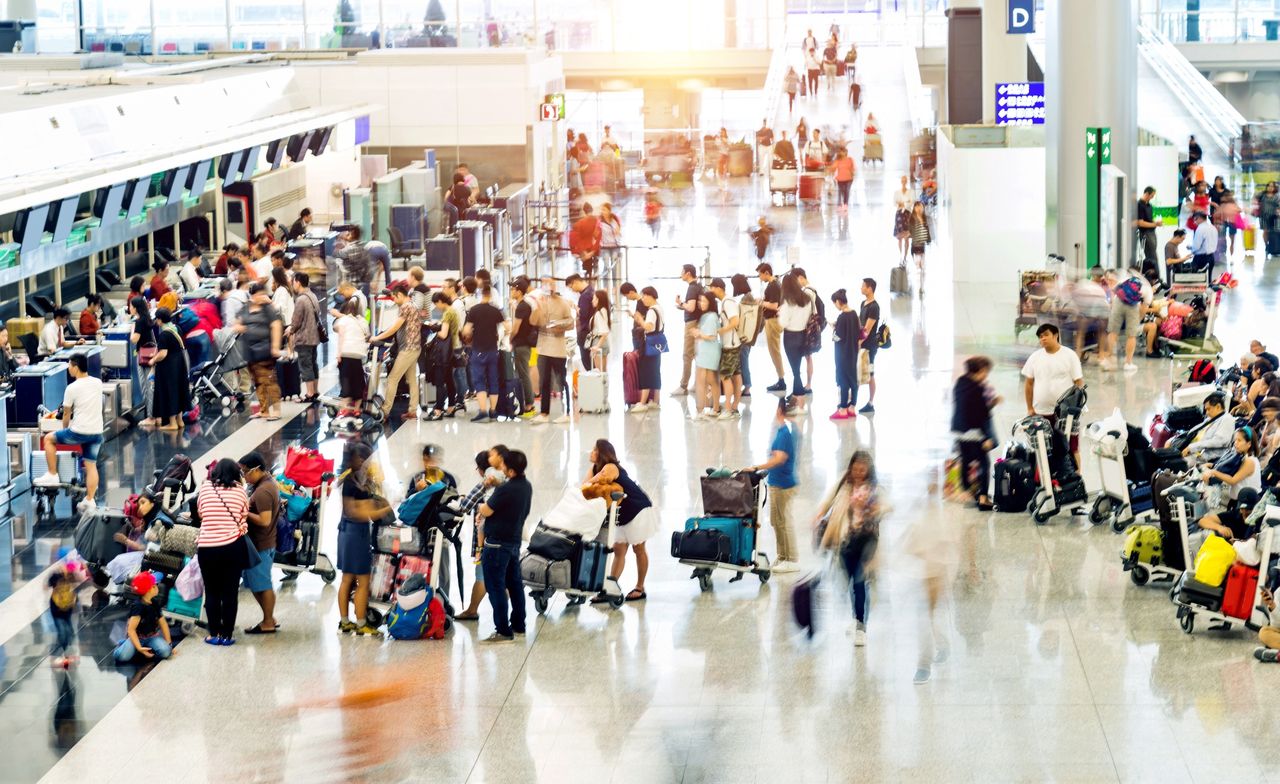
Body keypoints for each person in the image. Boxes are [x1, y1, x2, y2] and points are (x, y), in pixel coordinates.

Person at [816, 451, 880, 646]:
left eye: (863, 469)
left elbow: (885, 507)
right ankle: (856, 618)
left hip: (867, 542)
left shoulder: (874, 489)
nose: (859, 473)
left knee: (860, 583)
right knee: (849, 582)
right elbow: (828, 500)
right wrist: (818, 515)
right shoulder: (844, 484)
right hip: (846, 540)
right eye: (855, 469)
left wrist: (871, 508)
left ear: (869, 470)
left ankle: (861, 626)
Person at [584, 440, 658, 604]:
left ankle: (640, 588)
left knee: (638, 549)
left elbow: (599, 481)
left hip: (637, 509)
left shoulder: (611, 466)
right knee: (619, 551)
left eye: (595, 449)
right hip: (621, 514)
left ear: (602, 453)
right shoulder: (594, 469)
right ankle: (610, 588)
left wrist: (590, 483)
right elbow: (585, 485)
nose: (591, 452)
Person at [335, 442, 391, 637]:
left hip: (346, 533)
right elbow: (364, 514)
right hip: (356, 536)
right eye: (367, 460)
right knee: (363, 581)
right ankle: (361, 623)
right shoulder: (353, 484)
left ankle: (345, 622)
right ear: (357, 459)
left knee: (347, 579)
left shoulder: (351, 479)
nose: (369, 463)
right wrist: (391, 505)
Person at [476, 449, 533, 643]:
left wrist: (479, 508)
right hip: (513, 541)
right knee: (515, 584)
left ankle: (502, 630)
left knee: (496, 586)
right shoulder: (526, 486)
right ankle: (519, 625)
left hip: (495, 544)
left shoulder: (505, 490)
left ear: (509, 470)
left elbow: (487, 509)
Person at [34, 353, 103, 509]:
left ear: (76, 367)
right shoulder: (97, 382)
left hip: (79, 432)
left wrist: (64, 429)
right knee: (91, 465)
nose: (69, 368)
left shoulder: (72, 388)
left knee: (49, 439)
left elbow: (66, 413)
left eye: (70, 365)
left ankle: (52, 474)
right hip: (97, 432)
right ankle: (89, 500)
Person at [196, 459, 252, 646]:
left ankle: (214, 634)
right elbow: (244, 515)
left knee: (212, 591)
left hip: (207, 547)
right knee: (230, 593)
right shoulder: (240, 492)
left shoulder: (205, 489)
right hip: (232, 547)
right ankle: (227, 635)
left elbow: (201, 513)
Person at [745, 399, 800, 573]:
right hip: (777, 483)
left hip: (783, 485)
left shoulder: (785, 433)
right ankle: (782, 556)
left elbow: (779, 458)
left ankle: (791, 559)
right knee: (777, 522)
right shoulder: (784, 430)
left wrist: (756, 468)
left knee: (784, 521)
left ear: (779, 411)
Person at [238, 451, 280, 635]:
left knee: (262, 585)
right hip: (263, 543)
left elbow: (264, 520)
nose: (244, 476)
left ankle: (268, 621)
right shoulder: (266, 483)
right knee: (256, 583)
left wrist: (243, 511)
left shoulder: (263, 491)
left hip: (261, 545)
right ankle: (269, 616)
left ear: (256, 470)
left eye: (246, 472)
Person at [952, 356, 999, 510]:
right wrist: (987, 437)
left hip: (959, 431)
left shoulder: (960, 383)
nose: (986, 374)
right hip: (974, 433)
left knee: (965, 461)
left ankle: (966, 490)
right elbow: (981, 414)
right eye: (986, 371)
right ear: (980, 370)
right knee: (984, 463)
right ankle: (983, 498)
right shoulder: (977, 389)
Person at [370, 283, 420, 421]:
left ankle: (385, 411)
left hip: (407, 349)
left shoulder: (405, 307)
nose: (393, 300)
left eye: (394, 298)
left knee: (392, 378)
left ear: (399, 295)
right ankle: (413, 410)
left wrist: (376, 337)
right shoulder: (413, 304)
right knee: (411, 380)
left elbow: (395, 327)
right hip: (415, 347)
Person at [236, 282, 283, 421]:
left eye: (264, 293)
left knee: (269, 380)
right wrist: (239, 327)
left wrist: (275, 346)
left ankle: (276, 410)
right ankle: (264, 410)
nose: (262, 296)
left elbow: (276, 325)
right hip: (250, 352)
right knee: (257, 381)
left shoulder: (267, 308)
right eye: (259, 294)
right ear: (253, 295)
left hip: (265, 349)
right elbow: (237, 322)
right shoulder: (245, 308)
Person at [529, 277, 574, 424]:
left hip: (558, 347)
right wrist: (538, 308)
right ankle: (544, 412)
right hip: (542, 347)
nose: (550, 287)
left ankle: (567, 412)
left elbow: (571, 323)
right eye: (546, 284)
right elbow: (533, 322)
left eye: (552, 284)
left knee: (561, 380)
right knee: (544, 381)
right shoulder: (539, 301)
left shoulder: (563, 303)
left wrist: (559, 327)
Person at [144, 307, 191, 431]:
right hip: (180, 363)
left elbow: (163, 353)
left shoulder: (164, 334)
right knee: (179, 390)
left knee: (170, 392)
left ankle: (172, 423)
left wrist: (153, 360)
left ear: (160, 320)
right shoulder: (176, 328)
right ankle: (180, 421)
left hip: (169, 366)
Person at [463, 284, 506, 422]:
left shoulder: (474, 310)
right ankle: (493, 411)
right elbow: (508, 327)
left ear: (480, 294)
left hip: (479, 350)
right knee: (493, 379)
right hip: (493, 350)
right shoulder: (496, 310)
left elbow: (466, 330)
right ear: (491, 294)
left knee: (479, 380)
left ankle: (482, 412)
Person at [1100, 265, 1153, 372]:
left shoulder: (1125, 277)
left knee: (1113, 332)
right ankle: (1128, 363)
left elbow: (1115, 291)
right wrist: (1136, 322)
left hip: (1118, 300)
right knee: (1131, 335)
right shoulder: (1147, 288)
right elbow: (1143, 309)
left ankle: (1108, 360)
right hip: (1133, 305)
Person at [112, 572, 173, 663]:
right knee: (122, 657)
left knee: (166, 652)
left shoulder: (155, 602)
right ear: (147, 590)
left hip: (152, 637)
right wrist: (139, 648)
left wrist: (169, 644)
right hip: (136, 638)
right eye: (154, 586)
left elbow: (163, 623)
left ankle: (140, 648)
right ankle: (124, 644)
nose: (157, 587)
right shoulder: (138, 606)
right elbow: (131, 629)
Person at [424, 290, 465, 421]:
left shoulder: (447, 312)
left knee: (440, 381)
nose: (436, 307)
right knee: (449, 379)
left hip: (445, 352)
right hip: (453, 349)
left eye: (436, 304)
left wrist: (434, 329)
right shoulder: (453, 310)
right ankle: (451, 406)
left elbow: (443, 334)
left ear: (441, 301)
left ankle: (438, 410)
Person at [777, 273, 813, 413]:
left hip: (790, 337)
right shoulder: (807, 299)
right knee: (797, 368)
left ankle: (800, 403)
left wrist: (780, 315)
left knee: (796, 371)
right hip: (803, 335)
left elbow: (783, 323)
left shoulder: (788, 302)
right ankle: (797, 400)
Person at [708, 278, 742, 418]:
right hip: (734, 343)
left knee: (725, 376)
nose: (711, 290)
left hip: (730, 344)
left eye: (712, 287)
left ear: (719, 288)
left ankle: (728, 409)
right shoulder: (727, 301)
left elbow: (735, 321)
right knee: (736, 375)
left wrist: (721, 331)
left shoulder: (727, 303)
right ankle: (734, 407)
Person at [670, 264, 704, 397]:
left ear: (688, 273)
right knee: (696, 354)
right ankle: (696, 383)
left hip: (692, 324)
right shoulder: (699, 286)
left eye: (682, 271)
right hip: (699, 322)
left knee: (687, 354)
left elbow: (691, 307)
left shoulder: (692, 288)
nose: (681, 274)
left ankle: (683, 385)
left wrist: (681, 304)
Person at [289, 271, 322, 403]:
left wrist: (290, 330)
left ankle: (309, 393)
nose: (293, 285)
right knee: (313, 364)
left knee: (305, 366)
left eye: (293, 282)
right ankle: (315, 391)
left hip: (304, 338)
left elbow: (296, 321)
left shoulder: (301, 299)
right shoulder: (312, 295)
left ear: (297, 282)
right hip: (314, 337)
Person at [690, 290, 723, 421]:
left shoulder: (711, 317)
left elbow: (711, 336)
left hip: (708, 351)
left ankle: (700, 410)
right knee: (711, 380)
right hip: (705, 350)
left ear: (710, 302)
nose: (700, 303)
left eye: (703, 301)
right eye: (699, 301)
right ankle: (714, 408)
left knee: (702, 381)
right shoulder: (707, 316)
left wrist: (698, 333)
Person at [630, 286, 664, 412]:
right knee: (655, 371)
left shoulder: (651, 311)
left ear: (650, 296)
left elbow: (649, 326)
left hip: (649, 343)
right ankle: (655, 400)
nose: (642, 299)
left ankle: (642, 402)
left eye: (644, 296)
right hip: (658, 342)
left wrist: (640, 321)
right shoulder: (659, 308)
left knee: (646, 370)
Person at [508, 276, 538, 417]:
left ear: (519, 291)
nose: (511, 291)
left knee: (523, 374)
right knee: (523, 373)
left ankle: (529, 405)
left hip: (521, 344)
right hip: (525, 343)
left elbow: (515, 328)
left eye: (513, 289)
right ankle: (528, 403)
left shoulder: (522, 307)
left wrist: (510, 339)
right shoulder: (525, 305)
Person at [334, 297, 369, 415]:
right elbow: (367, 335)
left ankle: (345, 409)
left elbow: (340, 334)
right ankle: (357, 409)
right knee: (358, 382)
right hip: (358, 355)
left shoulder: (343, 320)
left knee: (346, 381)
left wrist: (338, 353)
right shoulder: (361, 321)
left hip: (346, 354)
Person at [830, 289, 861, 420]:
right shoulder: (854, 314)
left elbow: (838, 337)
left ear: (838, 301)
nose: (835, 306)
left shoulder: (842, 317)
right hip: (853, 352)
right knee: (853, 380)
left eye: (834, 303)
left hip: (842, 354)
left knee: (843, 381)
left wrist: (833, 329)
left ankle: (842, 409)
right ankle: (852, 407)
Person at [1181, 391, 1236, 464]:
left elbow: (1220, 441)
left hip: (1207, 455)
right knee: (1170, 447)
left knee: (1177, 464)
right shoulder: (1210, 419)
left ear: (1218, 407)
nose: (1206, 413)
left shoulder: (1227, 419)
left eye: (1208, 409)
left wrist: (1192, 447)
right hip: (1194, 449)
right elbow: (1193, 431)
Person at [758, 263, 786, 393]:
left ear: (767, 273)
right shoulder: (775, 284)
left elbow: (774, 305)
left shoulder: (774, 285)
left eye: (760, 274)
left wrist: (761, 302)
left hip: (773, 321)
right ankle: (780, 378)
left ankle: (781, 380)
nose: (759, 277)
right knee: (774, 350)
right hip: (773, 320)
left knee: (774, 351)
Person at [857, 278, 880, 414]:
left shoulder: (874, 307)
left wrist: (858, 342)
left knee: (870, 373)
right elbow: (861, 325)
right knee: (859, 371)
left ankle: (871, 402)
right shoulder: (863, 303)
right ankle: (852, 399)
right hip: (862, 345)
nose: (861, 288)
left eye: (863, 286)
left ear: (870, 288)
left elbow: (867, 329)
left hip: (870, 346)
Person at [48, 565, 77, 666]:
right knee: (63, 633)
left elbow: (74, 580)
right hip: (57, 610)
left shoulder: (69, 578)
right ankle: (57, 654)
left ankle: (65, 653)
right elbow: (49, 582)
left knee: (69, 632)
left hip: (67, 609)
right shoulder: (57, 577)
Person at [566, 273, 595, 369]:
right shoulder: (591, 290)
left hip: (586, 333)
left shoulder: (585, 296)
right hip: (592, 331)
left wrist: (574, 306)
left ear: (575, 282)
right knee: (592, 363)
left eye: (571, 287)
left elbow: (583, 315)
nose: (572, 290)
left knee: (587, 362)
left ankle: (592, 383)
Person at [569, 203, 602, 277]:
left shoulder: (579, 223)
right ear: (592, 210)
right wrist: (592, 252)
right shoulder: (597, 221)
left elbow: (577, 239)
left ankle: (587, 280)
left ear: (584, 211)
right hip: (595, 249)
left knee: (587, 270)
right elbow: (598, 238)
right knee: (595, 269)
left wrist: (584, 253)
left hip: (585, 250)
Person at [1135, 186, 1160, 272]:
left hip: (1152, 232)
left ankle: (1156, 277)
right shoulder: (1140, 205)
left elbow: (1149, 219)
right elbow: (1140, 222)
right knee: (1152, 257)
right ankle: (1154, 276)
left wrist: (1155, 223)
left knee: (1153, 255)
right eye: (1152, 195)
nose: (1152, 198)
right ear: (1147, 194)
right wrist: (1154, 224)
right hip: (1145, 233)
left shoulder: (1149, 205)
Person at [1188, 209, 1218, 278]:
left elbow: (1197, 246)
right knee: (1208, 280)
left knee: (1198, 280)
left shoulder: (1200, 228)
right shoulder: (1212, 227)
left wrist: (1191, 250)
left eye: (1195, 219)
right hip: (1211, 257)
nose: (1194, 222)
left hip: (1201, 258)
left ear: (1199, 218)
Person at [587, 290, 611, 372]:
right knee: (603, 372)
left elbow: (604, 332)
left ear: (599, 300)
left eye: (594, 298)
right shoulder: (604, 310)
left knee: (599, 373)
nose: (592, 301)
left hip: (598, 341)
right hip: (604, 342)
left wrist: (597, 346)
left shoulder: (598, 313)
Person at [598, 202, 623, 277]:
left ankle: (615, 287)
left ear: (609, 211)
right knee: (606, 266)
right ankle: (605, 287)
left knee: (614, 266)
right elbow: (597, 232)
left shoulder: (614, 219)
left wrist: (616, 231)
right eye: (602, 210)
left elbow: (618, 231)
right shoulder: (599, 221)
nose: (602, 212)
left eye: (604, 210)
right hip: (604, 246)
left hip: (615, 246)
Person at [907, 201, 932, 273]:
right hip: (915, 245)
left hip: (923, 245)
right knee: (917, 264)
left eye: (920, 207)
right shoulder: (912, 219)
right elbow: (910, 231)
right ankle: (919, 274)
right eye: (917, 207)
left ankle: (922, 277)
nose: (919, 209)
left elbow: (927, 230)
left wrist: (928, 239)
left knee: (922, 265)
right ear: (914, 208)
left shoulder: (925, 219)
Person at [829, 147, 856, 212]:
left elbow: (853, 168)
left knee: (847, 191)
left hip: (849, 179)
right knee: (841, 192)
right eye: (841, 151)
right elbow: (833, 168)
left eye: (844, 151)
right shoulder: (838, 160)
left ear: (846, 152)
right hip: (840, 179)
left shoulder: (850, 159)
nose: (842, 153)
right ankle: (839, 205)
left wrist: (853, 174)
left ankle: (845, 204)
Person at [893, 176, 913, 260]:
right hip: (899, 215)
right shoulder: (897, 192)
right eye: (902, 181)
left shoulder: (910, 192)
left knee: (907, 237)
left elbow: (912, 202)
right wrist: (904, 203)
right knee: (900, 236)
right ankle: (901, 254)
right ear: (901, 182)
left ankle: (905, 255)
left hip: (907, 214)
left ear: (907, 182)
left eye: (905, 181)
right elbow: (895, 203)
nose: (904, 182)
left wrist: (903, 203)